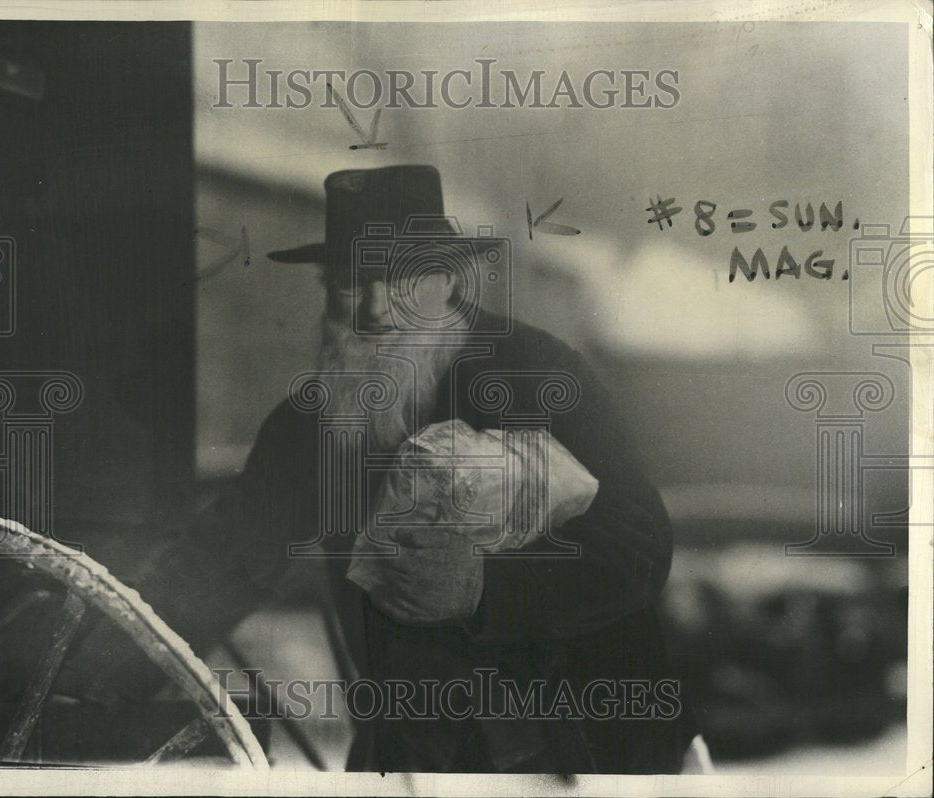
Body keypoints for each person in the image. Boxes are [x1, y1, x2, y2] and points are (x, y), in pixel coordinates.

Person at [69, 164, 700, 773]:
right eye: (350, 281)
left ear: (450, 282)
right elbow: (224, 557)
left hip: (585, 753)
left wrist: (484, 592)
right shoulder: (312, 424)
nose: (373, 309)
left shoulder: (538, 374)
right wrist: (98, 672)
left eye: (397, 279)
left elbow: (640, 544)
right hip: (415, 755)